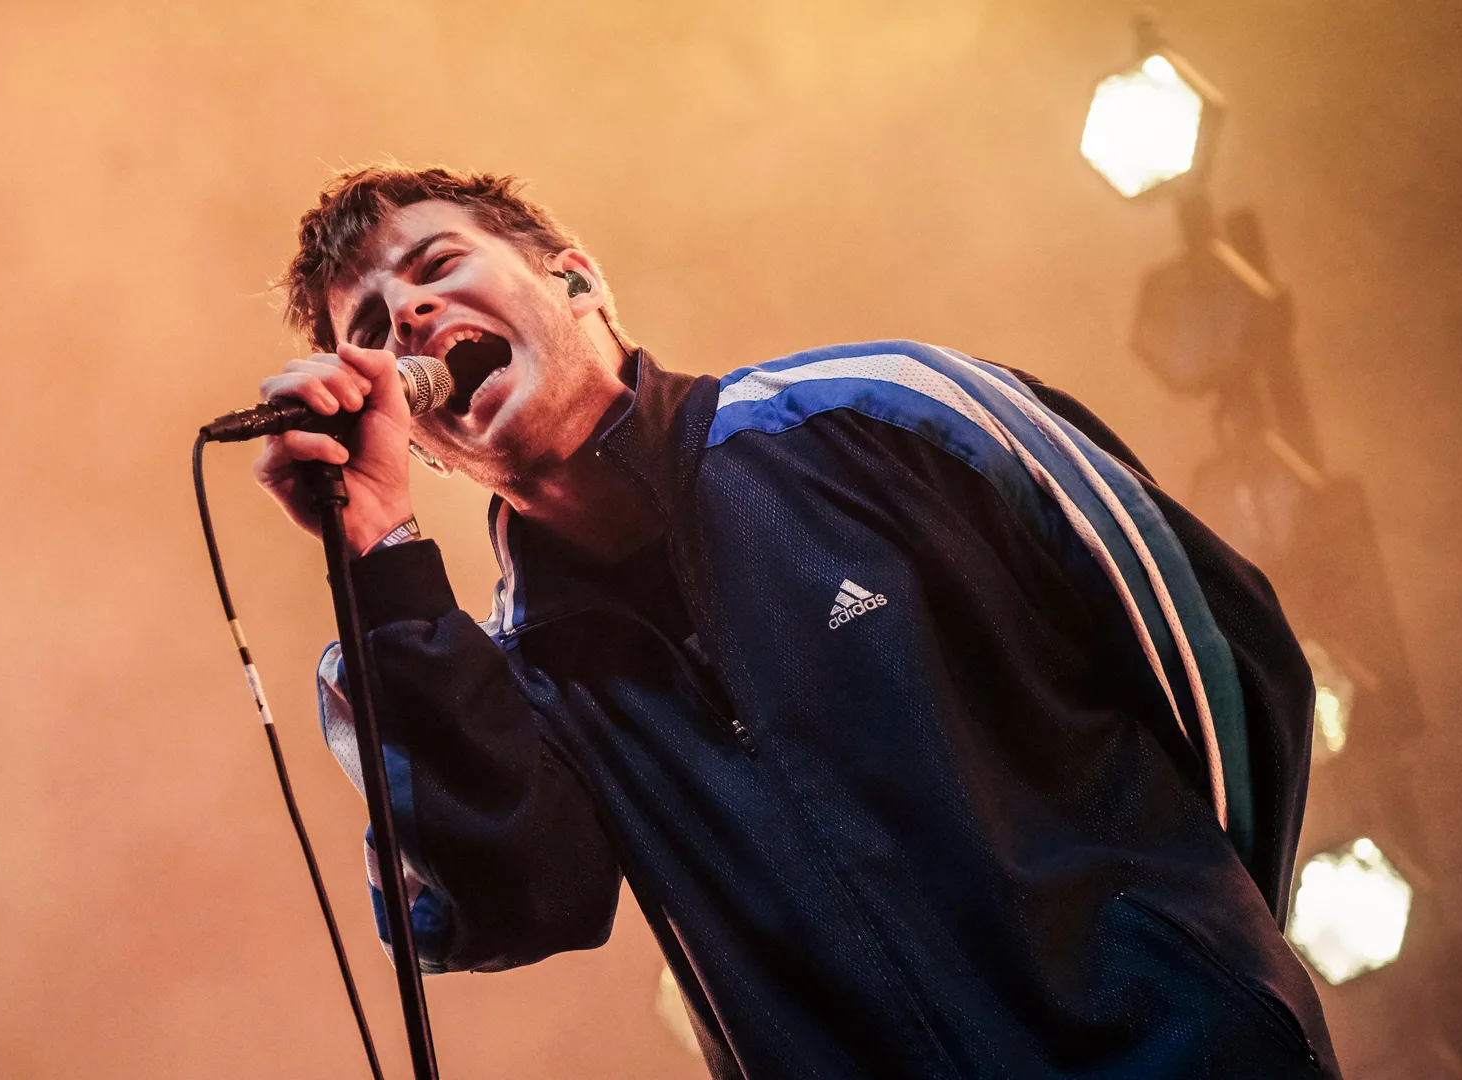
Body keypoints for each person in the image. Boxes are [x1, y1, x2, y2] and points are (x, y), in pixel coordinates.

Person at [253, 164, 1339, 1078]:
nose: (408, 321)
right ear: (431, 443)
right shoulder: (515, 684)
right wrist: (380, 554)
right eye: (371, 326)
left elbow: (1216, 654)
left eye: (437, 266)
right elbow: (503, 905)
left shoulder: (888, 415)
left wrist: (1197, 983)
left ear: (575, 276)